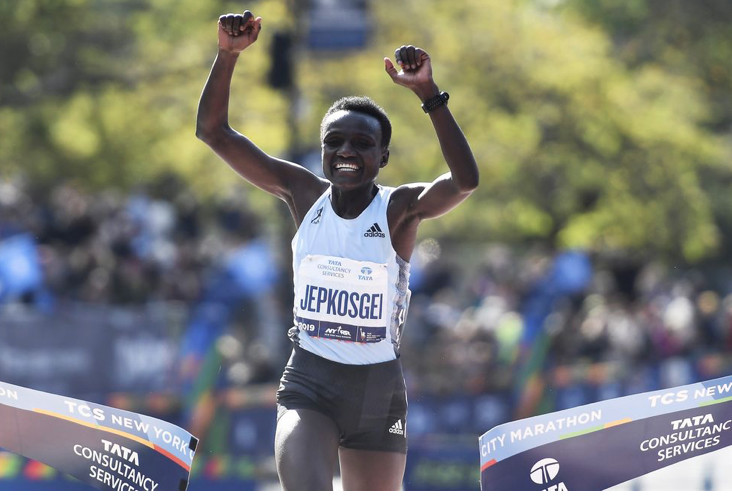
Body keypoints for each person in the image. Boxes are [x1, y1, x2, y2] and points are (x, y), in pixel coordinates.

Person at [196, 10, 479, 491]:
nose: (346, 151)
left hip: (378, 393)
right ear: (323, 151)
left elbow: (464, 181)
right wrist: (227, 56)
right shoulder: (303, 194)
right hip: (311, 385)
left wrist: (428, 94)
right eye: (335, 142)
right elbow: (213, 132)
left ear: (382, 156)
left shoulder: (399, 210)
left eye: (362, 144)